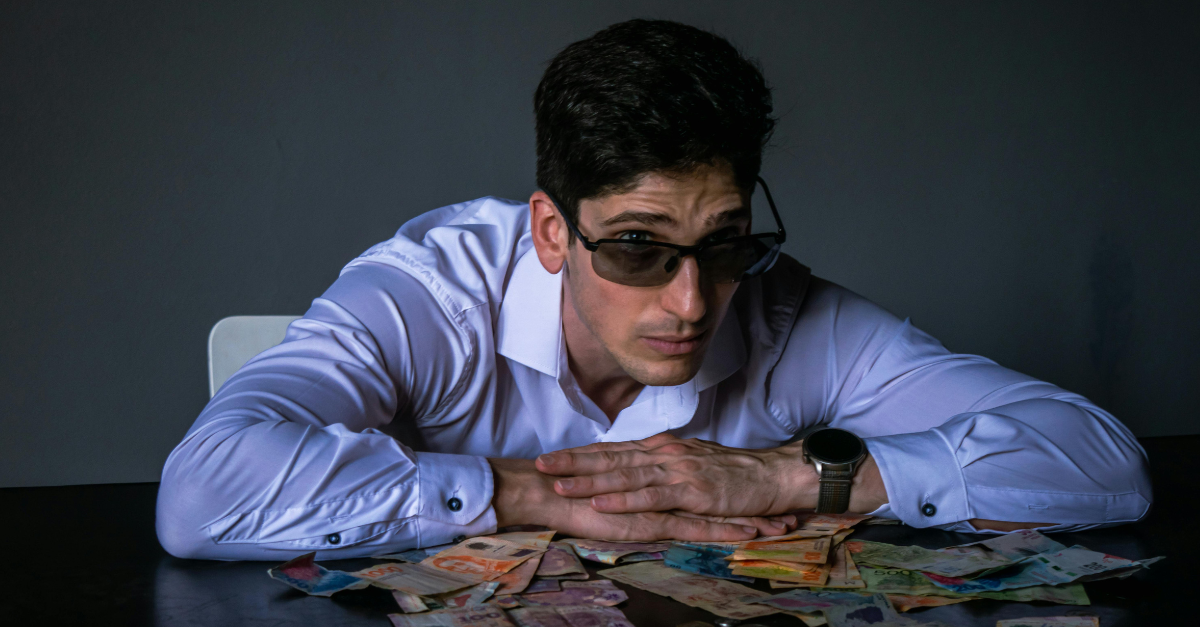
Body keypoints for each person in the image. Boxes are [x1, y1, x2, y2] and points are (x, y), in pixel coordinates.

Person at [156, 19, 1151, 561]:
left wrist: (792, 477)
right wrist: (522, 490)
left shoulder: (783, 307)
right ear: (554, 231)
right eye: (638, 247)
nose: (692, 302)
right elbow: (203, 496)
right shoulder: (429, 297)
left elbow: (1103, 462)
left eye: (724, 242)